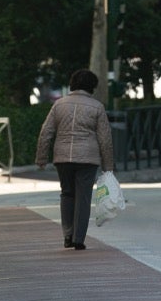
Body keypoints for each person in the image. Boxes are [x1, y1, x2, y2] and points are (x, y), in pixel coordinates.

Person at [35, 68, 115, 250]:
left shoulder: (59, 105)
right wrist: (108, 165)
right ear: (92, 87)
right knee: (83, 197)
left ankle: (67, 235)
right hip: (88, 158)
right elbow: (105, 138)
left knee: (67, 193)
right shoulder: (97, 107)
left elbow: (46, 131)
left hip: (62, 157)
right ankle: (79, 238)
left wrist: (41, 157)